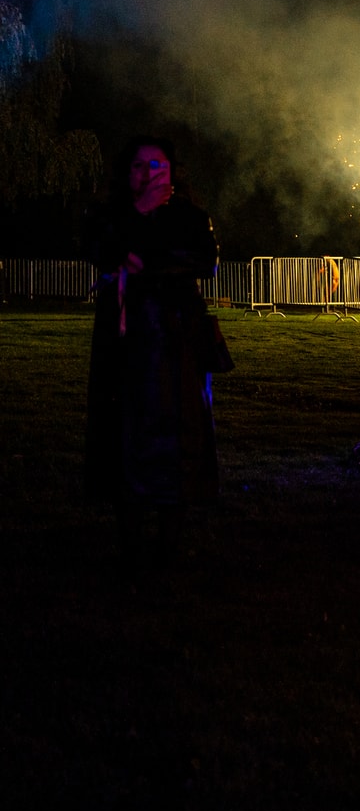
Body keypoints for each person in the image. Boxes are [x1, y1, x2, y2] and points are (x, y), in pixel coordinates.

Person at [86, 136, 221, 569]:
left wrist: (148, 264)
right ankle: (130, 544)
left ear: (172, 172)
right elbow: (101, 250)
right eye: (140, 166)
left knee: (176, 435)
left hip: (175, 338)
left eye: (157, 166)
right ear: (127, 173)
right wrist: (139, 217)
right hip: (125, 341)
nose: (149, 175)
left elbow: (204, 260)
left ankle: (168, 546)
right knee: (124, 432)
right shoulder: (111, 214)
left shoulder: (190, 216)